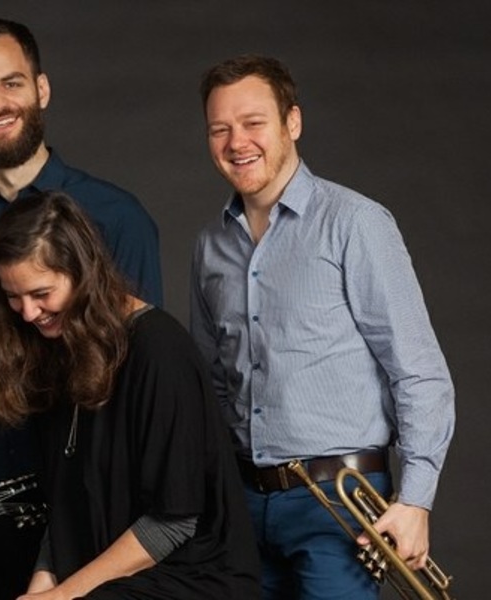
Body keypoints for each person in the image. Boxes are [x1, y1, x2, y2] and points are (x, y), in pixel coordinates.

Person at [0, 18, 163, 598]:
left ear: (41, 89)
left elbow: (140, 369)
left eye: (11, 83)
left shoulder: (117, 216)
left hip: (78, 493)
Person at [189, 54, 455, 599]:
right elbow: (213, 380)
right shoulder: (209, 245)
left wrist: (416, 501)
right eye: (220, 129)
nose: (237, 142)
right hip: (242, 505)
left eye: (253, 122)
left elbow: (418, 371)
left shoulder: (356, 224)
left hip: (340, 508)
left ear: (293, 122)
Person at [0, 191, 260, 599]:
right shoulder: (58, 351)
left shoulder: (159, 349)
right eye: (12, 297)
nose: (27, 313)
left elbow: (172, 523)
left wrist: (63, 596)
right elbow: (64, 512)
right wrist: (40, 588)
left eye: (41, 294)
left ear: (83, 273)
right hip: (101, 581)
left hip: (191, 580)